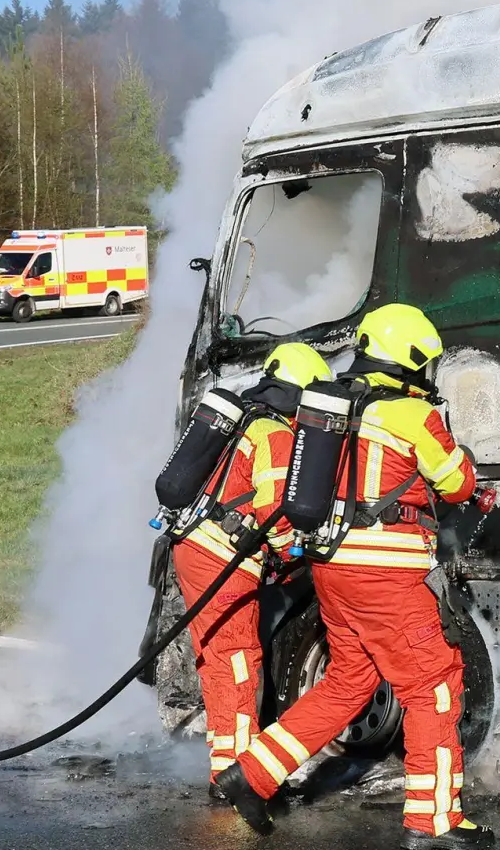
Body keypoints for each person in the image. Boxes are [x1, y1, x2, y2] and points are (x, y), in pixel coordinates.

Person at [219, 303, 492, 850]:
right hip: (386, 573)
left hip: (331, 567)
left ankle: (251, 775)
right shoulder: (413, 415)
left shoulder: (326, 404)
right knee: (433, 686)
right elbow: (457, 483)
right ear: (412, 360)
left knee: (350, 682)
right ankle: (432, 821)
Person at [175, 342, 333, 799]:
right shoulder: (275, 434)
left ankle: (227, 767)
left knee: (220, 661)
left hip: (196, 547)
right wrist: (300, 554)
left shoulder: (241, 418)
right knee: (238, 664)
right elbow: (276, 514)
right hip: (223, 559)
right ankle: (235, 780)